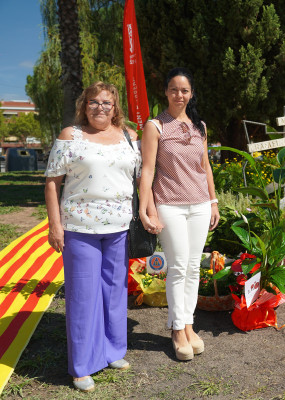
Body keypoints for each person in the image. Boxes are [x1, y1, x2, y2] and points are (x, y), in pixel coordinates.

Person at [45, 82, 141, 392]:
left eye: (106, 103)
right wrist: (54, 225)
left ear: (116, 107)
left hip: (120, 227)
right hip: (79, 228)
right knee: (83, 297)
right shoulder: (69, 136)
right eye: (93, 102)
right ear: (84, 105)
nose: (100, 107)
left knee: (114, 292)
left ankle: (113, 350)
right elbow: (51, 183)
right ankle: (82, 366)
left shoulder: (131, 137)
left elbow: (144, 178)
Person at [139, 67, 220, 361]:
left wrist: (213, 201)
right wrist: (145, 207)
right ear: (165, 92)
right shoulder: (155, 126)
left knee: (194, 267)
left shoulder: (200, 126)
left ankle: (188, 325)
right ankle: (176, 329)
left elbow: (205, 166)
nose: (179, 95)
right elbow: (147, 170)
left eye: (184, 90)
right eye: (174, 89)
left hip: (199, 205)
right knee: (178, 267)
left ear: (191, 93)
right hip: (169, 206)